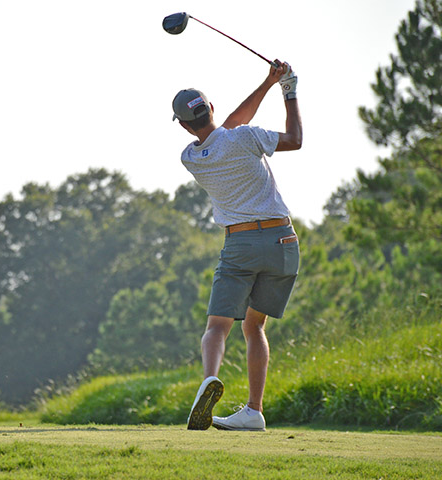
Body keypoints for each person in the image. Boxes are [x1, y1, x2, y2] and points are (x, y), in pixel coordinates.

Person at [173, 61, 302, 431]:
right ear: (211, 108)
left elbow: (226, 127)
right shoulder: (246, 137)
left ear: (183, 124)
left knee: (218, 326)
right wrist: (287, 90)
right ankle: (254, 410)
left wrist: (268, 82)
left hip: (241, 243)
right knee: (254, 327)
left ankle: (209, 380)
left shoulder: (192, 157)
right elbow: (294, 139)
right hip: (283, 241)